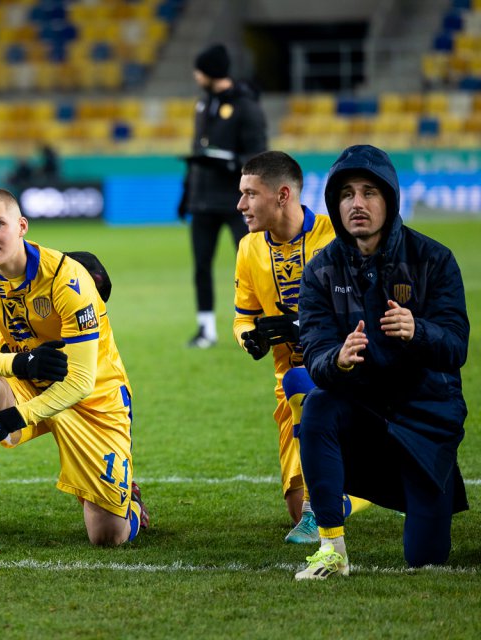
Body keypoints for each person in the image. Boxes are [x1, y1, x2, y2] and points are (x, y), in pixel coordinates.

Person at [295, 144, 470, 580]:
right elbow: (315, 354)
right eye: (347, 194)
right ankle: (331, 548)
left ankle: (428, 488)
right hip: (365, 417)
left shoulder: (434, 259)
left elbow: (456, 347)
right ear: (335, 204)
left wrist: (418, 330)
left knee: (426, 558)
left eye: (369, 192)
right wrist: (337, 359)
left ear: (389, 199)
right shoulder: (320, 271)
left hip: (425, 423)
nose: (357, 203)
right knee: (317, 404)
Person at [0, 188, 147, 556]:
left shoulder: (68, 280)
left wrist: (11, 419)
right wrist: (22, 364)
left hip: (93, 399)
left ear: (21, 226)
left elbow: (80, 381)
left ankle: (127, 501)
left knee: (107, 536)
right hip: (28, 383)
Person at [233, 151, 370, 545]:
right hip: (288, 382)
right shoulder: (248, 248)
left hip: (346, 373)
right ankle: (373, 490)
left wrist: (300, 327)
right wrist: (250, 338)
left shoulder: (336, 238)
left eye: (250, 194)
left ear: (283, 195)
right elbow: (243, 316)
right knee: (298, 508)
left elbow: (364, 313)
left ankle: (330, 502)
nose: (241, 204)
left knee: (314, 507)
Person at [180, 43, 267, 348]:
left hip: (237, 201)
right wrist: (186, 195)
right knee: (201, 266)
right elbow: (197, 152)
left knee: (251, 263)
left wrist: (231, 162)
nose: (196, 76)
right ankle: (206, 330)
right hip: (202, 201)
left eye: (199, 70)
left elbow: (258, 155)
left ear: (211, 72)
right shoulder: (203, 105)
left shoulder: (247, 107)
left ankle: (263, 322)